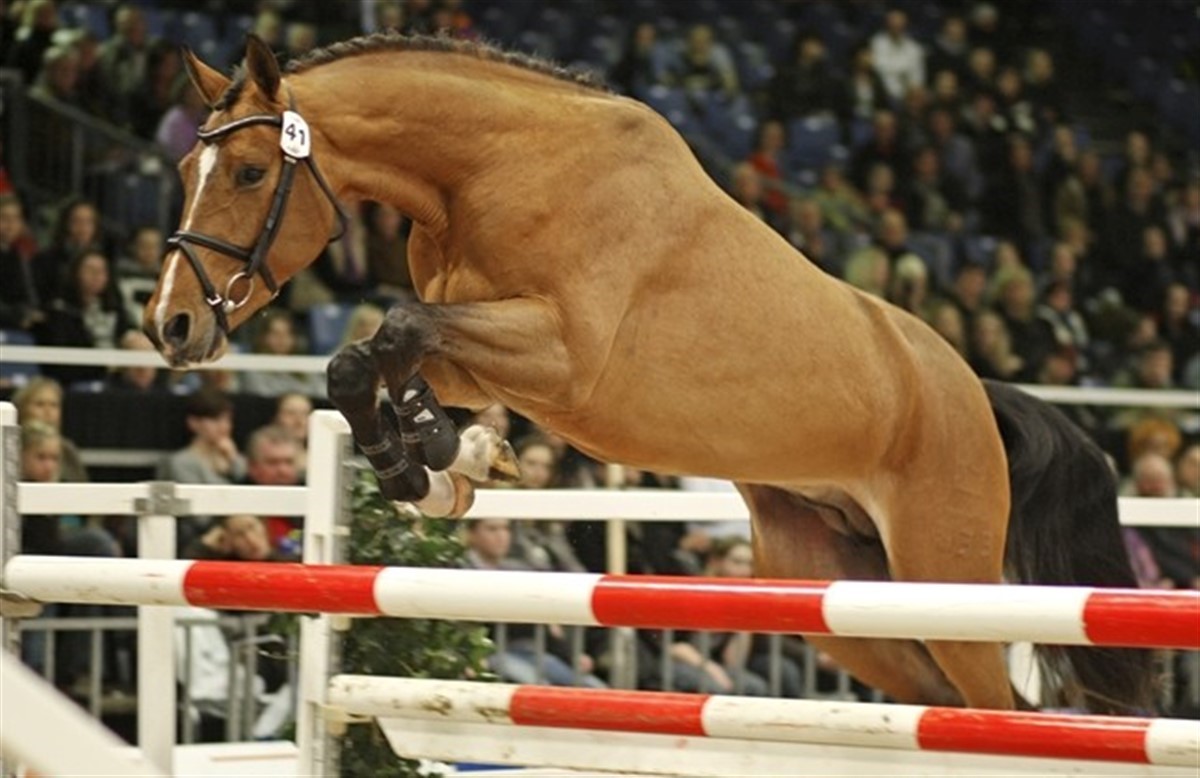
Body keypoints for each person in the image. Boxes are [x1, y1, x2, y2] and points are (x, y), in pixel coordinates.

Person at [463, 518, 606, 688]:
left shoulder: (518, 571)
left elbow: (545, 626)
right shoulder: (460, 570)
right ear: (471, 534)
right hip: (492, 654)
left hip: (531, 649)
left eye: (505, 529)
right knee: (542, 689)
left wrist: (572, 656)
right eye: (492, 529)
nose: (501, 536)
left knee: (593, 687)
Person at [666, 537, 769, 696]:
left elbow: (733, 662)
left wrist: (744, 623)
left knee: (754, 686)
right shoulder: (692, 592)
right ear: (716, 562)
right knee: (716, 689)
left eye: (750, 564)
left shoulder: (736, 599)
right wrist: (711, 668)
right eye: (737, 562)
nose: (745, 571)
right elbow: (673, 646)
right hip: (676, 661)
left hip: (712, 664)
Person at [39, 247, 135, 386]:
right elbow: (63, 360)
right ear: (75, 273)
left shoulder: (115, 308)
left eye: (101, 271)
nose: (96, 276)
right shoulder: (60, 311)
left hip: (117, 376)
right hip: (79, 378)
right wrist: (102, 367)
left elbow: (126, 332)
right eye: (90, 270)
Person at [12, 376, 87, 482]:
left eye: (54, 405)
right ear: (21, 408)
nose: (48, 411)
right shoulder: (8, 445)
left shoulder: (67, 449)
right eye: (40, 404)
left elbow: (80, 486)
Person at [242, 424, 303, 554]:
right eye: (272, 462)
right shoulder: (231, 502)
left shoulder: (313, 500)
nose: (282, 470)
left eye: (289, 462)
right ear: (252, 466)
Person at [240, 309, 326, 398]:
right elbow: (260, 398)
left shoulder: (304, 367)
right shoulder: (253, 369)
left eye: (287, 333)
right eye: (275, 333)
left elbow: (323, 393)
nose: (282, 338)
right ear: (263, 337)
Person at [0, 192, 43, 333]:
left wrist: (27, 313)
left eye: (16, 218)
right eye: (4, 218)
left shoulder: (19, 256)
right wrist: (18, 316)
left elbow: (30, 298)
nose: (10, 224)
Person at [869, 8, 925, 102]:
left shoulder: (913, 47)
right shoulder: (877, 43)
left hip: (909, 96)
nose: (897, 27)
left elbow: (917, 75)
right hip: (883, 94)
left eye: (900, 25)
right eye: (894, 25)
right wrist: (903, 69)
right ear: (887, 24)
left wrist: (913, 88)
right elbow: (880, 68)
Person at [271, 392, 313, 474]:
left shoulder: (323, 457)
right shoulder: (263, 456)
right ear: (276, 417)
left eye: (305, 414)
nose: (299, 421)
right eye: (291, 413)